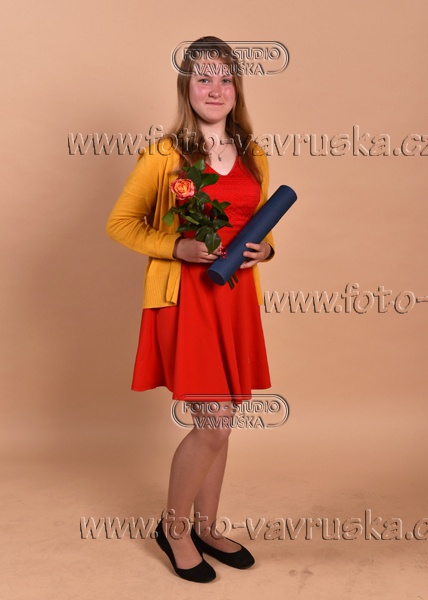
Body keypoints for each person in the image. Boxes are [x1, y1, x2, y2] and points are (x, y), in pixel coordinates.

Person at [106, 36, 275, 583]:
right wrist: (176, 246)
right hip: (187, 301)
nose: (215, 89)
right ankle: (175, 530)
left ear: (237, 89)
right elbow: (121, 224)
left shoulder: (253, 153)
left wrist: (266, 251)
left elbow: (258, 222)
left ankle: (207, 527)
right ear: (187, 88)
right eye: (204, 78)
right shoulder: (165, 155)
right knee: (215, 423)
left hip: (234, 301)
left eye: (225, 79)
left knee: (221, 423)